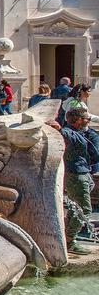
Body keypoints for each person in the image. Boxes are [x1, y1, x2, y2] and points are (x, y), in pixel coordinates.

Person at [50, 107, 99, 253]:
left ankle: (66, 239)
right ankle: (70, 241)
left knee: (74, 208)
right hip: (76, 175)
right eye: (86, 119)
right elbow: (64, 133)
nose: (88, 121)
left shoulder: (82, 133)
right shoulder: (69, 133)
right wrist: (57, 128)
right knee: (84, 210)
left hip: (83, 172)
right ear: (78, 120)